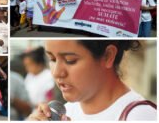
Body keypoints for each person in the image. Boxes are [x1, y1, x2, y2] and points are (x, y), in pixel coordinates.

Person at [28, 40, 157, 121]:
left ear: (108, 56)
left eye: (70, 60)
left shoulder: (142, 116)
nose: (56, 72)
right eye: (52, 59)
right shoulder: (66, 111)